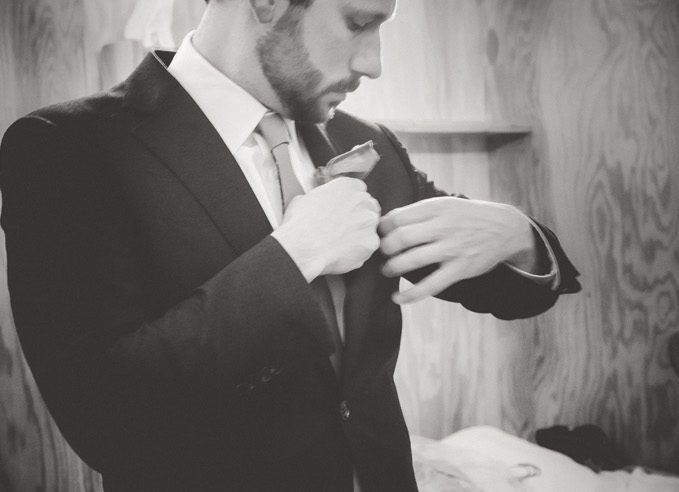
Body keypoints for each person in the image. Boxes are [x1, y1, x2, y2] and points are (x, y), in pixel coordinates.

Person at [0, 0, 580, 490]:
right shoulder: (67, 150)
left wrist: (516, 236)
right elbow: (105, 419)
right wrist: (295, 255)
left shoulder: (368, 144)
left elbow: (518, 292)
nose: (374, 63)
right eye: (358, 22)